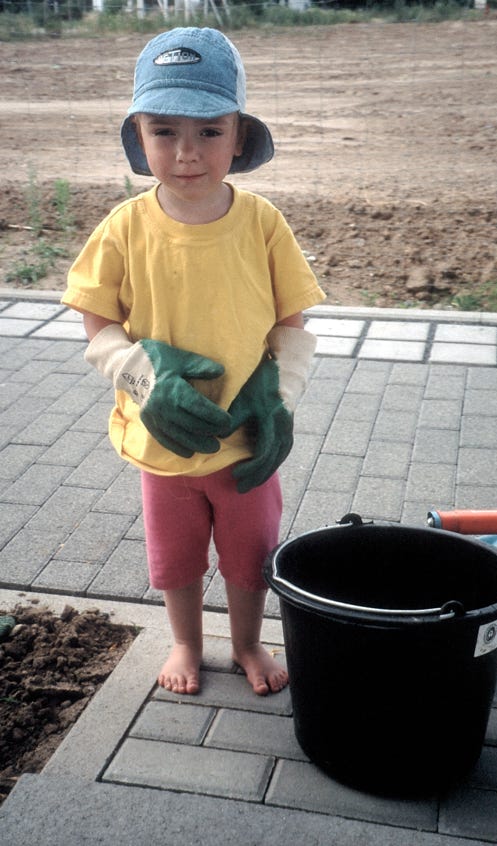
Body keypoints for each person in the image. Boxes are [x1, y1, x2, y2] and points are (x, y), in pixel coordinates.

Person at [62, 27, 325, 697]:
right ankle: (184, 639)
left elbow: (292, 322)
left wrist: (280, 393)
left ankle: (245, 643)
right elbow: (98, 326)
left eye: (209, 131)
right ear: (138, 137)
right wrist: (142, 378)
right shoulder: (123, 229)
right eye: (164, 130)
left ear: (240, 136)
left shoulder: (262, 222)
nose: (186, 153)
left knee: (249, 557)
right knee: (175, 558)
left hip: (245, 443)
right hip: (163, 440)